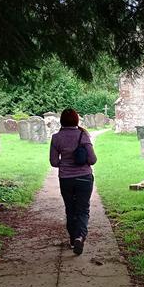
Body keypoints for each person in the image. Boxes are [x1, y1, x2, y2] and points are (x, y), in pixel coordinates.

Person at [49, 109, 97, 255]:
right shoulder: (83, 135)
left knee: (70, 209)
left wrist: (65, 163)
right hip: (84, 178)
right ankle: (80, 237)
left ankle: (72, 239)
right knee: (83, 209)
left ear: (62, 121)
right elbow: (93, 160)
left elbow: (53, 161)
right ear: (77, 120)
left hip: (66, 179)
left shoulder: (56, 137)